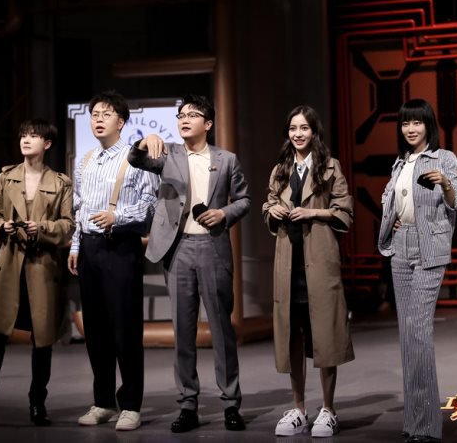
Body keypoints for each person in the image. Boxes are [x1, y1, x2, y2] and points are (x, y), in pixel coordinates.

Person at [128, 94, 250, 433]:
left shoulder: (226, 160)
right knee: (183, 331)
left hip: (212, 247)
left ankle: (231, 403)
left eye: (192, 115)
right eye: (181, 114)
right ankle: (187, 404)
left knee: (221, 330)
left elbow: (244, 200)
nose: (184, 119)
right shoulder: (167, 154)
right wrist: (145, 140)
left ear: (207, 124)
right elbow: (136, 159)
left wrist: (223, 213)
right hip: (178, 248)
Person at [0, 119, 74, 429]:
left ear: (47, 143)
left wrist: (42, 228)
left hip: (42, 268)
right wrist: (2, 227)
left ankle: (38, 405)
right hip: (10, 266)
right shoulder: (5, 177)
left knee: (42, 341)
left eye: (33, 136)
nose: (26, 140)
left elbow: (68, 226)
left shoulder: (60, 183)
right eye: (23, 135)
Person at [67, 91, 159, 431]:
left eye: (106, 114)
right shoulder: (85, 160)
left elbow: (150, 204)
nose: (98, 119)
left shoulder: (135, 157)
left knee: (125, 328)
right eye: (94, 114)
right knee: (96, 330)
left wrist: (117, 216)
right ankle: (103, 401)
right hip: (90, 249)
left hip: (121, 247)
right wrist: (76, 245)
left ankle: (131, 405)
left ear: (121, 122)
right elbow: (79, 207)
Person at [262, 105, 354, 438]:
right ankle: (299, 409)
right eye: (293, 128)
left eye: (304, 128)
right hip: (289, 264)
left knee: (325, 336)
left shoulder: (331, 167)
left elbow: (344, 211)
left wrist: (312, 213)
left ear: (314, 132)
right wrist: (273, 209)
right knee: (293, 338)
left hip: (319, 261)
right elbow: (268, 204)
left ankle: (328, 409)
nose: (298, 134)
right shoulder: (280, 169)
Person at [378, 98, 457, 443]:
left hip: (430, 249)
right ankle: (413, 423)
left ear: (428, 125)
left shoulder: (444, 158)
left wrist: (445, 183)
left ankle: (427, 426)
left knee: (419, 331)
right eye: (405, 123)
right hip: (401, 247)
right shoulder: (399, 163)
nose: (410, 129)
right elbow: (390, 200)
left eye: (417, 122)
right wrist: (393, 221)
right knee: (406, 335)